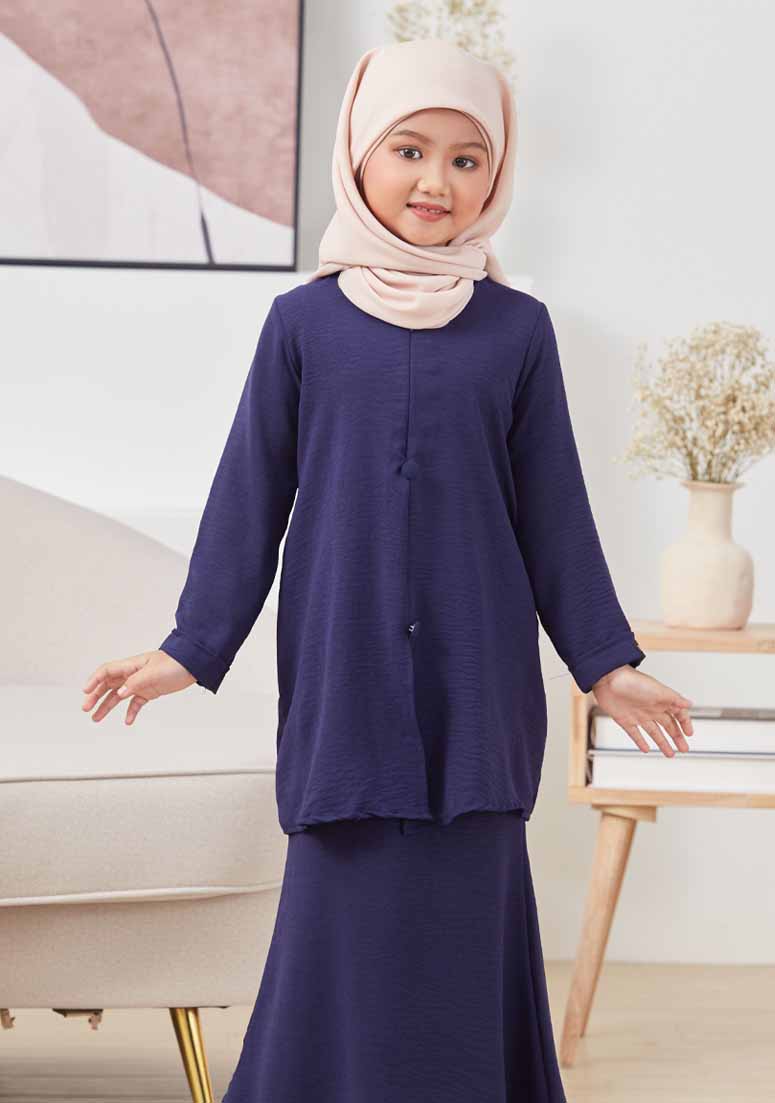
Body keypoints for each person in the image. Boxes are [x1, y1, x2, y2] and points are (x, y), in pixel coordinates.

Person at [81, 37, 694, 1103]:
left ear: (496, 176)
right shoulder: (302, 325)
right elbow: (249, 497)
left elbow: (554, 511)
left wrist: (606, 662)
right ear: (358, 155)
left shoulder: (517, 331)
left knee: (466, 906)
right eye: (409, 149)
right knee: (343, 904)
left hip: (478, 681)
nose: (435, 181)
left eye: (466, 158)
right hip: (345, 674)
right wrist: (190, 646)